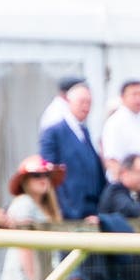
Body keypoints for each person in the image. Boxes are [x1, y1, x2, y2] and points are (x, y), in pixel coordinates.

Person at [36, 77, 107, 220]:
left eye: (89, 103)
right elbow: (49, 171)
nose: (86, 107)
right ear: (68, 102)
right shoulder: (53, 131)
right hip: (68, 207)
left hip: (91, 206)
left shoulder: (85, 132)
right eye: (82, 102)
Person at [100, 79, 140, 190]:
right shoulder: (116, 123)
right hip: (131, 190)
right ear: (123, 97)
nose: (139, 99)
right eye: (134, 94)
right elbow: (112, 160)